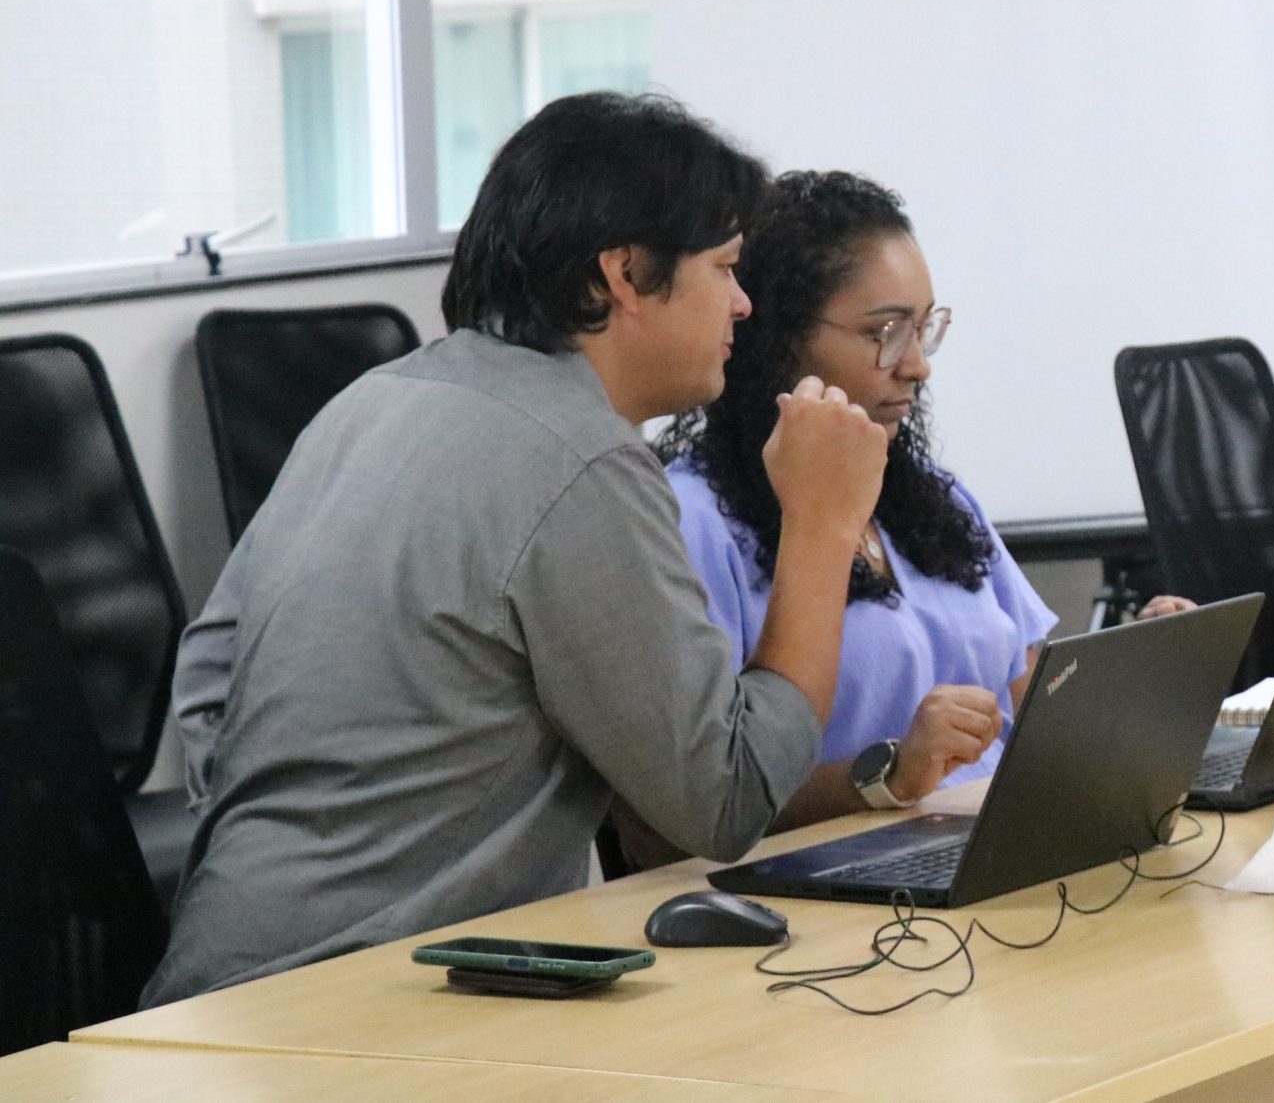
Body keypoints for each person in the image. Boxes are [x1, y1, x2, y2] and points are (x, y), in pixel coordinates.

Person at [146, 93, 888, 1005]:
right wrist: (821, 526)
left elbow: (211, 672)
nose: (742, 303)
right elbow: (726, 801)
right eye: (727, 267)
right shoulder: (582, 460)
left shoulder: (372, 400)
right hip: (368, 1012)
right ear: (624, 271)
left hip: (218, 981)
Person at [650, 171, 1185, 838]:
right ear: (780, 338)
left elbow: (1036, 699)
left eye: (924, 328)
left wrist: (1147, 667)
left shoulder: (934, 495)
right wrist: (888, 775)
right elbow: (686, 815)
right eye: (886, 331)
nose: (917, 365)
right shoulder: (693, 520)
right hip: (841, 887)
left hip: (1003, 841)